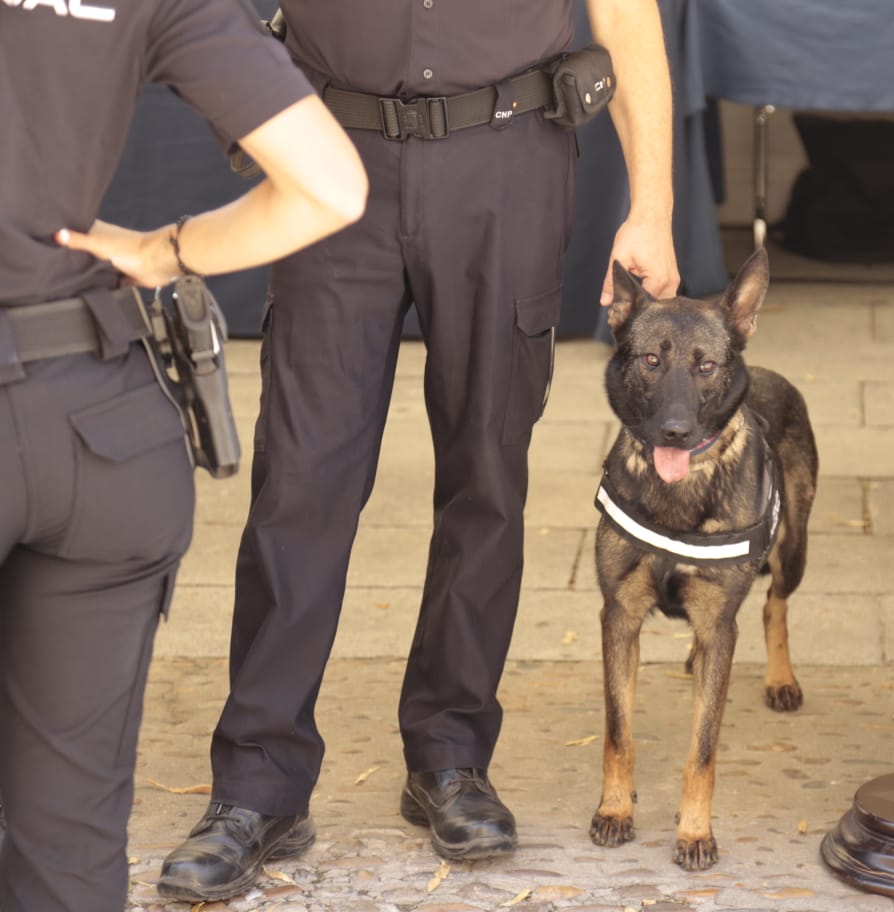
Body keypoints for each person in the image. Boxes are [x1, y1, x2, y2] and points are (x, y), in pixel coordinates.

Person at [156, 1, 680, 904]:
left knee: (486, 478)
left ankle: (450, 756)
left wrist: (655, 206)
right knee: (301, 485)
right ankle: (258, 784)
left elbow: (626, 16)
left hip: (507, 158)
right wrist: (253, 117)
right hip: (333, 159)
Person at [0, 4, 367, 910]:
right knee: (70, 844)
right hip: (99, 427)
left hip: (90, 426)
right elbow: (331, 188)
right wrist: (165, 252)